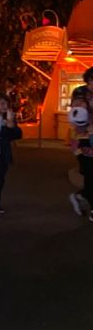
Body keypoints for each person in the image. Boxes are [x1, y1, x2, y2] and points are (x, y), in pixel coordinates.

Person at [67, 66, 93, 220]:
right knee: (90, 174)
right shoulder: (80, 93)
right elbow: (77, 116)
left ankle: (79, 196)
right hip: (83, 142)